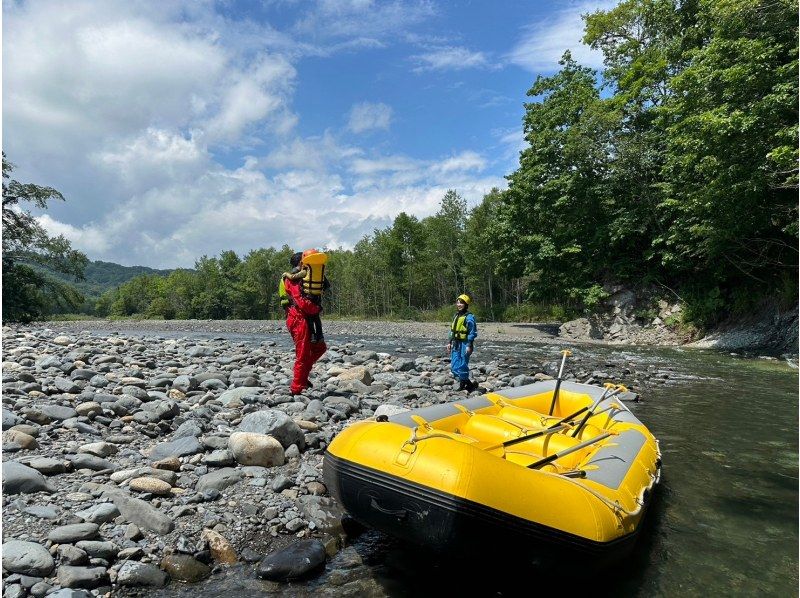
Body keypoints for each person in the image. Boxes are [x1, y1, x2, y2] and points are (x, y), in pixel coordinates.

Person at [282, 251, 327, 395]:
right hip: (297, 318)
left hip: (304, 317)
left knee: (320, 348)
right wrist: (316, 308)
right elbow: (300, 301)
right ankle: (296, 389)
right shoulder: (293, 279)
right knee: (302, 355)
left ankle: (302, 376)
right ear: (301, 263)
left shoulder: (306, 276)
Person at [282, 249, 329, 343]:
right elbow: (327, 285)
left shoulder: (305, 271)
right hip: (317, 299)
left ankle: (312, 336)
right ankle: (320, 337)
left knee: (308, 317)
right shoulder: (319, 273)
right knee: (316, 318)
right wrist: (320, 290)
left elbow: (293, 277)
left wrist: (286, 274)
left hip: (307, 298)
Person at [448, 293, 478, 392]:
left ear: (466, 304)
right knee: (454, 365)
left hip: (465, 343)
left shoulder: (469, 317)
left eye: (461, 303)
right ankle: (468, 383)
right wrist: (449, 342)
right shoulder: (456, 316)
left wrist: (469, 345)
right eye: (458, 302)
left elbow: (472, 332)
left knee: (463, 364)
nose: (459, 304)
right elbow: (452, 330)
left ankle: (463, 384)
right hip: (456, 342)